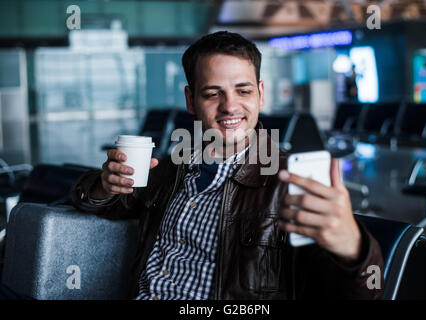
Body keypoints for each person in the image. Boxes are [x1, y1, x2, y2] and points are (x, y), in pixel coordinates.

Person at [70, 31, 384, 300]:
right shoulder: (171, 169)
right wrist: (104, 183)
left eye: (243, 90)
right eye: (212, 94)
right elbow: (104, 203)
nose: (230, 106)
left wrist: (352, 248)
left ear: (261, 95)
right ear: (191, 101)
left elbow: (360, 290)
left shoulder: (290, 183)